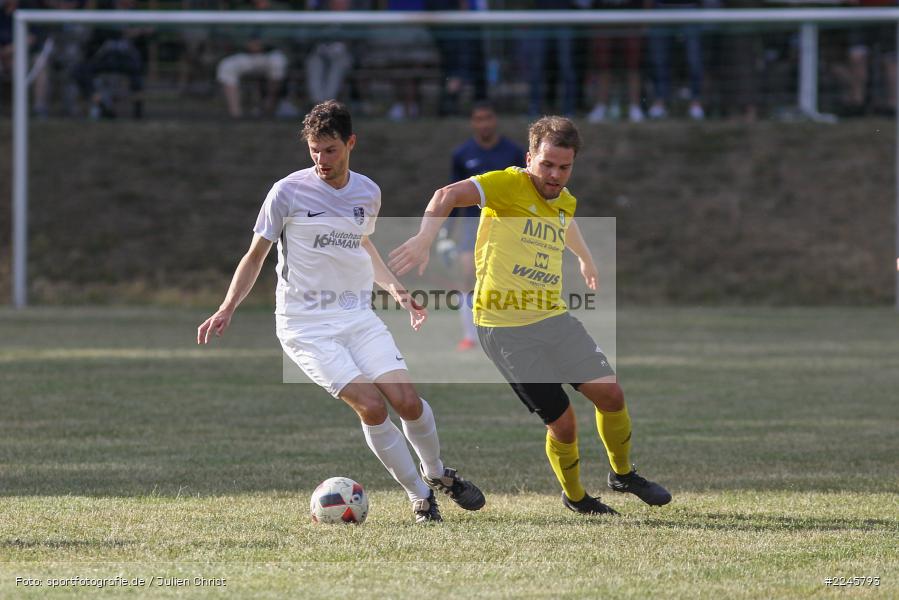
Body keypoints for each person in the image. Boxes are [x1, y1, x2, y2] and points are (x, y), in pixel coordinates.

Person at [197, 101, 485, 524]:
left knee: (407, 400)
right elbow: (256, 255)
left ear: (350, 143)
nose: (321, 160)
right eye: (314, 150)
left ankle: (438, 472)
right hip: (305, 326)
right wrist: (227, 307)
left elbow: (363, 245)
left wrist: (396, 290)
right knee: (371, 405)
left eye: (330, 150)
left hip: (357, 316)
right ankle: (421, 497)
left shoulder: (367, 192)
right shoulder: (287, 192)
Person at [389, 115, 671, 515]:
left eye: (564, 166)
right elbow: (446, 194)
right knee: (565, 424)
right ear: (529, 158)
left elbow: (565, 220)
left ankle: (623, 474)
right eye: (547, 165)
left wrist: (585, 259)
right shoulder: (507, 185)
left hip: (553, 317)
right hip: (505, 331)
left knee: (611, 394)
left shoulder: (565, 198)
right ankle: (576, 497)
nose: (555, 175)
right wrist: (424, 238)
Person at [446, 101, 525, 350]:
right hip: (472, 225)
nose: (484, 123)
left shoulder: (513, 152)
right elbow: (453, 194)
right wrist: (447, 233)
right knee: (467, 274)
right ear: (472, 122)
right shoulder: (462, 154)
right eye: (478, 119)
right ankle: (470, 335)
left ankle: (509, 332)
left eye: (488, 118)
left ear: (495, 120)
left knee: (509, 278)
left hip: (506, 226)